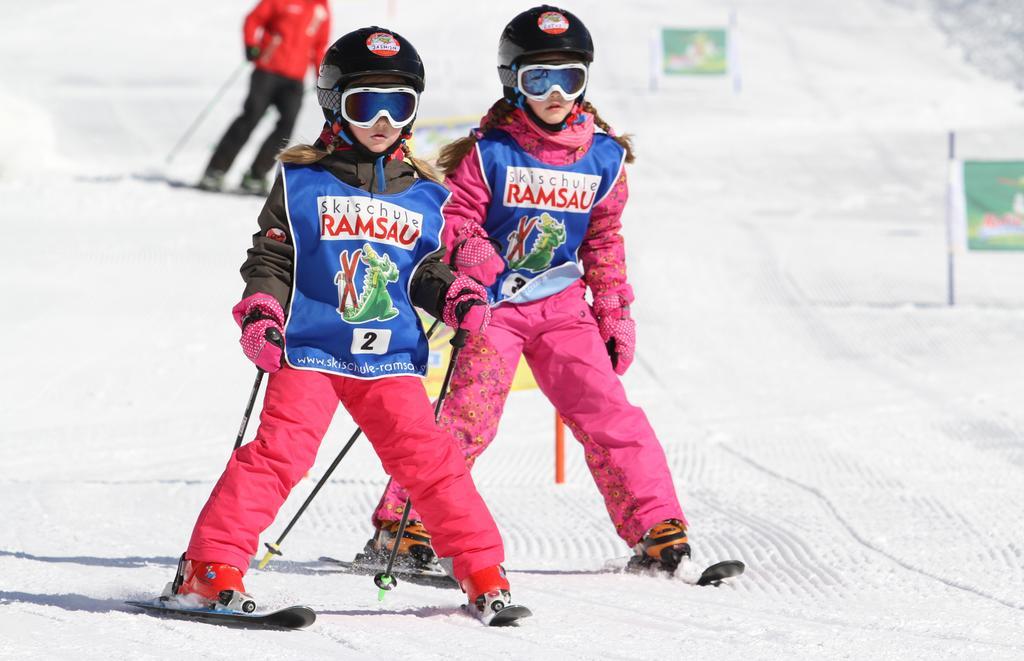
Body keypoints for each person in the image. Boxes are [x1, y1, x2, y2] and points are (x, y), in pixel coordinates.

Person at [169, 27, 522, 623]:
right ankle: (210, 568)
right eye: (366, 104)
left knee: (431, 463)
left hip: (386, 360)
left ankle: (483, 571)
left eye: (399, 104)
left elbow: (425, 272)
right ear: (336, 104)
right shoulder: (301, 181)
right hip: (309, 349)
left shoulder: (428, 196)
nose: (382, 120)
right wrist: (262, 310)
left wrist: (456, 297)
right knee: (278, 454)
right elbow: (273, 258)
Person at [367, 6, 693, 576]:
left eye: (569, 78)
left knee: (609, 412)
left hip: (563, 309)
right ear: (512, 82)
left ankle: (656, 525)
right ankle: (408, 521)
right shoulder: (489, 152)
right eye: (537, 78)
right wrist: (470, 250)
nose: (555, 93)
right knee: (468, 417)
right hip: (495, 309)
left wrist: (613, 312)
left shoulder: (604, 157)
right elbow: (454, 217)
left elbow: (604, 241)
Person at [198, 0, 331, 195]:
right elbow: (253, 19)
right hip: (267, 70)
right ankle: (215, 171)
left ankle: (256, 175)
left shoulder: (322, 8)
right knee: (250, 117)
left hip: (295, 79)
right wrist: (251, 44)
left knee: (286, 126)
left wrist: (322, 78)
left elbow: (319, 46)